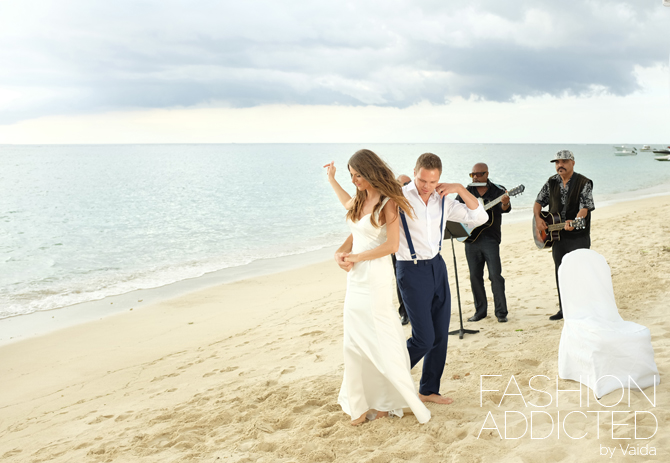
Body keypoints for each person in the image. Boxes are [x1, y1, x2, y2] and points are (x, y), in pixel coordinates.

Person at [324, 150, 431, 426]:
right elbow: (355, 229)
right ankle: (360, 406)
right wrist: (340, 252)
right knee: (355, 341)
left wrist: (357, 257)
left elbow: (391, 246)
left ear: (370, 171)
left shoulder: (387, 203)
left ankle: (384, 403)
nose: (354, 179)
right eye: (351, 175)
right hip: (355, 279)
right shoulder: (358, 199)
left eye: (357, 174)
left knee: (378, 339)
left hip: (375, 278)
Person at [396, 153, 487, 404]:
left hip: (437, 266)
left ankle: (428, 389)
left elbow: (480, 217)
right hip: (411, 269)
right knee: (423, 338)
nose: (427, 187)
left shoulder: (444, 199)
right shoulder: (399, 198)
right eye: (422, 180)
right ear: (414, 173)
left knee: (439, 335)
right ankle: (388, 375)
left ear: (439, 179)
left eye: (433, 182)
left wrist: (459, 188)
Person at [534, 150, 595, 321]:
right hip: (557, 238)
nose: (560, 165)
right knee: (560, 273)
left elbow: (586, 206)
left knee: (579, 273)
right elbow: (538, 202)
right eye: (557, 162)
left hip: (578, 236)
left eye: (564, 162)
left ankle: (583, 309)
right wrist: (538, 219)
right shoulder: (551, 182)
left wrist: (576, 219)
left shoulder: (584, 182)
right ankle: (564, 310)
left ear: (572, 163)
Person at [456, 163, 510, 323]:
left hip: (490, 238)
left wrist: (505, 202)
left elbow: (504, 209)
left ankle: (501, 313)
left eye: (479, 174)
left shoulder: (498, 191)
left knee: (495, 275)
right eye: (472, 174)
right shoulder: (467, 191)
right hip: (470, 238)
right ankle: (480, 311)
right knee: (474, 277)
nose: (475, 177)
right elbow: (456, 210)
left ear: (487, 174)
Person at [394, 174, 412, 326]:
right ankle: (404, 313)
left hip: (415, 249)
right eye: (405, 183)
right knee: (401, 282)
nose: (408, 185)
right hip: (397, 249)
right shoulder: (391, 201)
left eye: (410, 182)